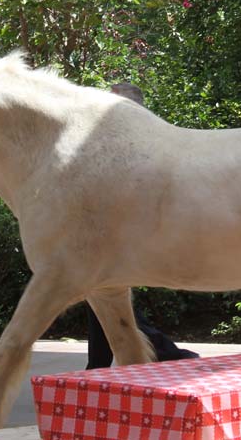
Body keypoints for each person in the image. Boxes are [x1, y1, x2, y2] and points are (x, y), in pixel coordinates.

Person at [85, 82, 198, 369]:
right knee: (100, 294)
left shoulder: (141, 143)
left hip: (128, 234)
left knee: (106, 295)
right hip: (107, 234)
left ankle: (164, 351)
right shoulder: (112, 142)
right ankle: (98, 366)